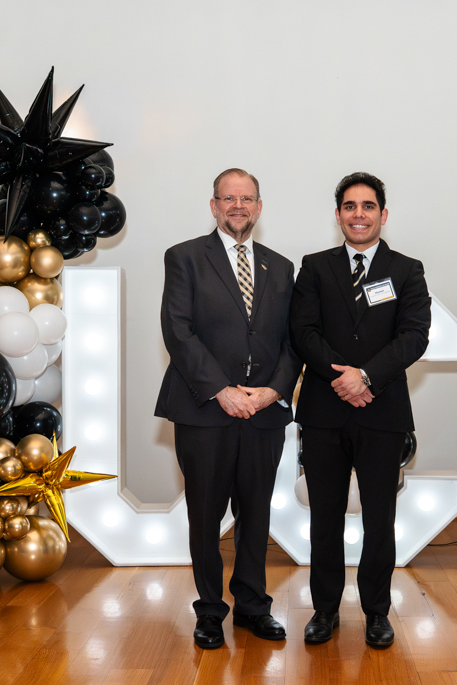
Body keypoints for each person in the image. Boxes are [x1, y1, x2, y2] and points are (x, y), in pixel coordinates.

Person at [155, 168, 301, 649]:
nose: (238, 206)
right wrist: (222, 390)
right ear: (214, 205)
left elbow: (293, 341)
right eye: (229, 198)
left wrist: (273, 391)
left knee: (256, 515)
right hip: (205, 410)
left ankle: (253, 607)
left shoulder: (281, 267)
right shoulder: (184, 257)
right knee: (205, 516)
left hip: (264, 413)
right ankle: (210, 612)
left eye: (247, 198)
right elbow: (178, 331)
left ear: (259, 207)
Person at [289, 172, 431, 648]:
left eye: (368, 206)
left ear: (383, 214)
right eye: (349, 206)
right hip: (324, 413)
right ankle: (324, 610)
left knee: (379, 519)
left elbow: (414, 336)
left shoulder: (407, 270)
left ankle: (376, 612)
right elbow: (303, 332)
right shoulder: (314, 267)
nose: (359, 214)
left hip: (382, 412)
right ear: (338, 215)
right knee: (324, 518)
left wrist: (365, 377)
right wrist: (342, 378)